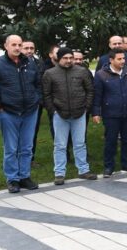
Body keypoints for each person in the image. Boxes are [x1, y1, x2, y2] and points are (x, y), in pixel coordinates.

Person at [0, 34, 42, 192]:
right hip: (8, 112)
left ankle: (24, 176)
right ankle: (12, 179)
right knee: (11, 148)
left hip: (30, 111)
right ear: (6, 46)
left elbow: (38, 83)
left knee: (26, 147)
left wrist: (37, 100)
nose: (17, 48)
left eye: (19, 44)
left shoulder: (29, 63)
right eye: (14, 45)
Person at [41, 47, 96, 184]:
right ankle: (59, 173)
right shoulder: (49, 73)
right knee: (59, 145)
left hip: (79, 113)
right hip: (59, 114)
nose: (69, 60)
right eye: (65, 58)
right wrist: (52, 110)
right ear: (59, 58)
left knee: (80, 143)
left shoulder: (82, 71)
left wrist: (86, 108)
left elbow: (90, 90)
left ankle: (83, 170)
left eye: (70, 57)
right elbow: (46, 94)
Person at [92, 49, 127, 177]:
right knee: (111, 140)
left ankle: (126, 164)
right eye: (119, 59)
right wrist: (96, 112)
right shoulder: (101, 75)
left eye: (123, 58)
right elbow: (97, 95)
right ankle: (109, 167)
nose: (122, 61)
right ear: (111, 60)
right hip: (111, 113)